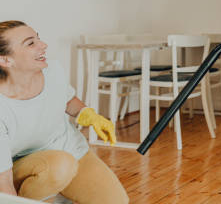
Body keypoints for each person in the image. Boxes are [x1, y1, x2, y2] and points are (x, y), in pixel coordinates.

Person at [0, 20, 129, 203]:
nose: (43, 45)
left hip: (70, 149)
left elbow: (66, 99)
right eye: (31, 43)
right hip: (25, 166)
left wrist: (89, 115)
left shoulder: (52, 70)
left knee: (117, 202)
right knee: (60, 165)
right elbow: (3, 182)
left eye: (38, 38)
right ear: (5, 60)